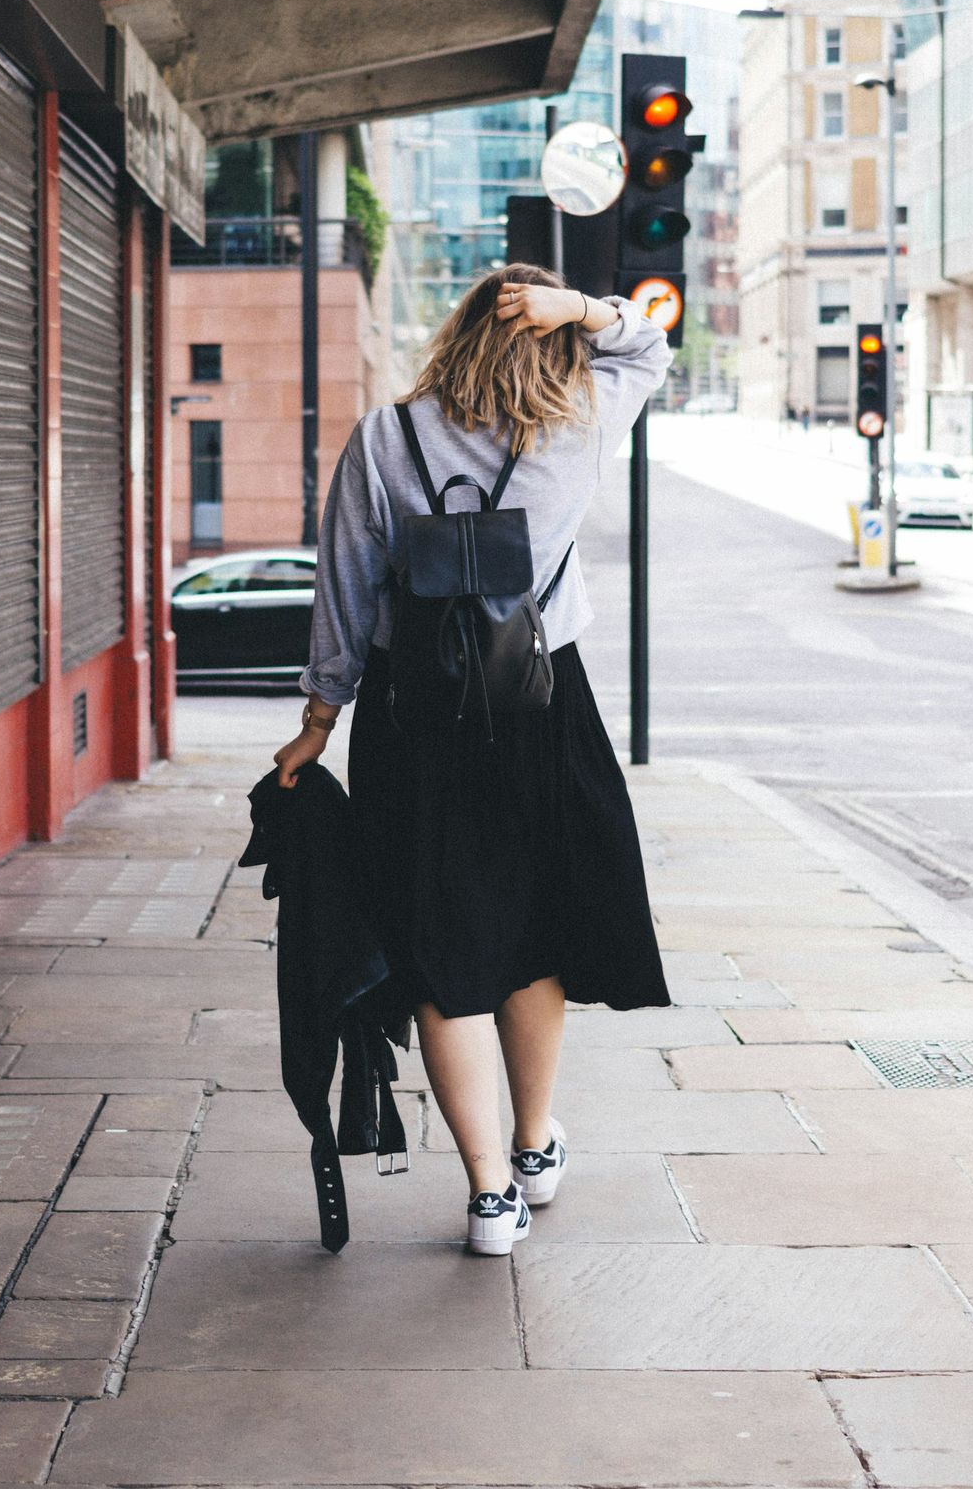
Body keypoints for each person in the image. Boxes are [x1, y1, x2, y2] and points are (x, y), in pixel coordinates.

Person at [274, 265, 671, 1255]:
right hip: (539, 704)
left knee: (438, 941)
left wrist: (319, 720)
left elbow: (345, 588)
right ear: (556, 343)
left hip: (411, 717)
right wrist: (581, 310)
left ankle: (489, 1194)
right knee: (533, 932)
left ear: (455, 335)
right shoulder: (579, 423)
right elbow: (648, 345)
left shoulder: (383, 437)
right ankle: (534, 1146)